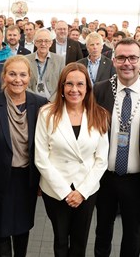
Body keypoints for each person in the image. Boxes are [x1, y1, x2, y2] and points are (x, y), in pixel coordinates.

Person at [93, 38, 140, 257]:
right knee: (102, 230)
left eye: (133, 58)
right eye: (122, 58)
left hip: (138, 180)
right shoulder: (99, 91)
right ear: (114, 60)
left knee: (133, 232)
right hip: (103, 177)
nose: (127, 63)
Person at [0, 55, 47, 256]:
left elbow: (47, 148)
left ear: (29, 77)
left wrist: (43, 181)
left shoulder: (41, 104)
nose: (18, 79)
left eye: (23, 74)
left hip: (27, 180)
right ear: (4, 76)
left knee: (23, 228)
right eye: (12, 74)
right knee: (1, 230)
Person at [35, 62, 110, 256]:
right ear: (61, 87)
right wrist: (65, 191)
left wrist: (81, 192)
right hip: (56, 189)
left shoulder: (100, 115)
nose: (74, 89)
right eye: (69, 84)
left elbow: (101, 160)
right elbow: (41, 157)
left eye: (80, 84)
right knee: (60, 241)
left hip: (87, 189)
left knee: (80, 242)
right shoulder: (47, 114)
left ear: (87, 88)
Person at [25, 28, 64, 101]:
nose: (43, 44)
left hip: (53, 102)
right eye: (40, 41)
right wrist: (35, 100)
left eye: (46, 41)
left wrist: (51, 101)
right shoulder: (26, 60)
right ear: (35, 42)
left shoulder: (60, 60)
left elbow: (62, 83)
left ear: (51, 43)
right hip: (32, 101)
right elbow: (24, 84)